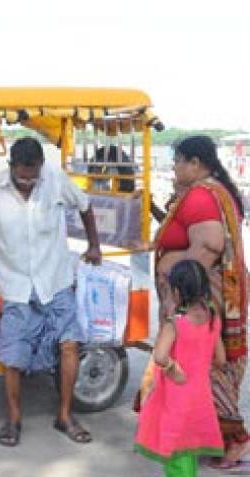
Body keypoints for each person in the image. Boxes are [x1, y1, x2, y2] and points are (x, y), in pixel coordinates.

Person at [0, 137, 103, 447]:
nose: (26, 183)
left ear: (40, 168)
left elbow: (86, 206)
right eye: (21, 177)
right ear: (11, 167)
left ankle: (65, 416)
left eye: (31, 177)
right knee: (13, 356)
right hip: (16, 284)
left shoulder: (56, 179)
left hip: (56, 280)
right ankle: (14, 419)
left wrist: (95, 245)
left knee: (70, 345)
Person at [149, 135, 249, 469]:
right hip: (202, 293)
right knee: (201, 368)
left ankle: (237, 440)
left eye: (177, 160)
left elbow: (206, 249)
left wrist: (179, 297)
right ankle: (215, 436)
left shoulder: (204, 196)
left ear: (196, 163)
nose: (173, 166)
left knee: (204, 368)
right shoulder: (206, 192)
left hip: (201, 296)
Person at [135, 259, 225, 477]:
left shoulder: (175, 324)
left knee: (176, 455)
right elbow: (221, 359)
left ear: (176, 292)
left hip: (176, 400)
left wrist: (173, 367)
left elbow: (159, 355)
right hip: (200, 398)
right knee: (189, 449)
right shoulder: (213, 318)